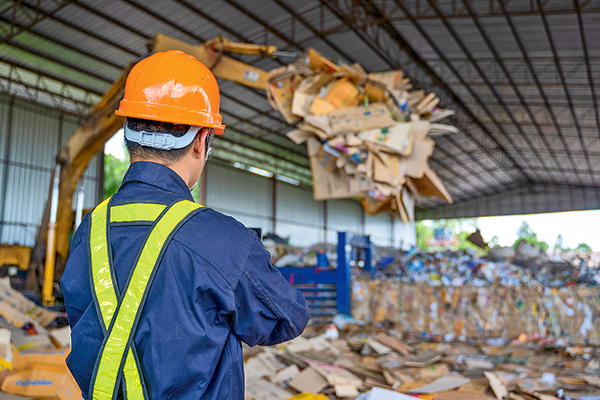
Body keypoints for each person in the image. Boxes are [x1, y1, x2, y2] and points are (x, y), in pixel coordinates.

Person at [61, 50, 310, 400]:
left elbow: (82, 320)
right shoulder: (222, 240)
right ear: (200, 141)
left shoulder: (90, 230)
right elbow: (289, 316)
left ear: (129, 134)